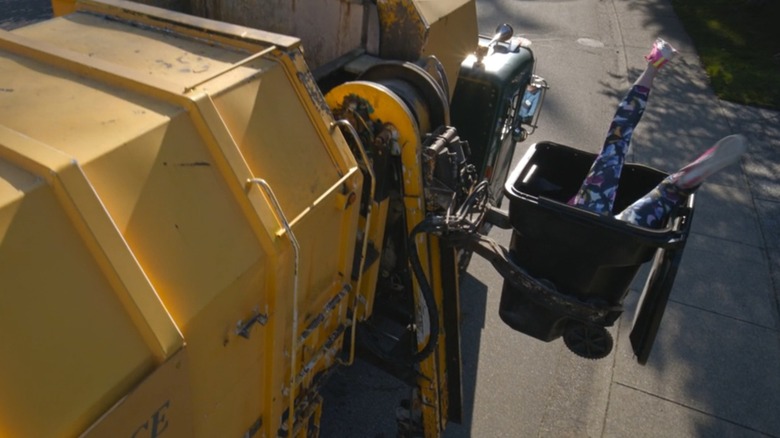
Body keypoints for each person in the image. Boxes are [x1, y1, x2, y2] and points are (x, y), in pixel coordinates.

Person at [567, 38, 748, 228]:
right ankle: (654, 66)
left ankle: (676, 186)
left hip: (592, 235)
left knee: (634, 217)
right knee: (616, 144)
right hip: (594, 222)